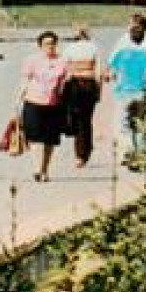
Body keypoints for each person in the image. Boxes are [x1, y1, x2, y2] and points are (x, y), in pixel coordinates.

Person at [15, 30, 69, 182]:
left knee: (50, 140)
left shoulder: (63, 61)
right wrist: (18, 99)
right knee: (34, 138)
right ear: (40, 46)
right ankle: (37, 169)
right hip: (33, 102)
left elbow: (65, 82)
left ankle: (45, 169)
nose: (50, 47)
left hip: (54, 105)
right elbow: (24, 80)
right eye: (46, 44)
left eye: (52, 43)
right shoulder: (32, 60)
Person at [105, 15, 146, 159]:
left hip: (142, 89)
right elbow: (112, 64)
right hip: (128, 89)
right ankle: (132, 152)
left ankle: (138, 151)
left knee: (137, 120)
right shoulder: (123, 42)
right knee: (128, 120)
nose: (132, 29)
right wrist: (110, 74)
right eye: (130, 26)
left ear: (144, 28)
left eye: (136, 26)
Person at [59, 23, 102, 168]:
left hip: (74, 85)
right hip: (89, 85)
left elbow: (63, 69)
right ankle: (84, 149)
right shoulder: (94, 47)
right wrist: (99, 91)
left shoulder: (69, 49)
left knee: (76, 119)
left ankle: (82, 151)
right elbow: (99, 71)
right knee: (86, 119)